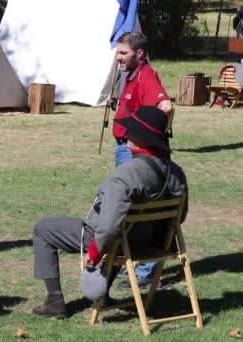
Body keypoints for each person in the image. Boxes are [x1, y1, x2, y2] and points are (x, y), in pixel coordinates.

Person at [32, 106, 188, 318]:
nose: (125, 134)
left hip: (117, 241)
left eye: (131, 130)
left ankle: (54, 301)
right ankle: (102, 294)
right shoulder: (176, 172)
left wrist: (94, 254)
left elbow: (108, 228)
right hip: (150, 243)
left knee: (43, 228)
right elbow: (181, 216)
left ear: (143, 137)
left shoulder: (124, 176)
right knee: (121, 234)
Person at [112, 32, 172, 287]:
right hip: (128, 148)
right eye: (118, 52)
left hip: (135, 152)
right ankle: (136, 263)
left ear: (139, 53)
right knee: (131, 210)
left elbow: (166, 106)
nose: (118, 57)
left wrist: (151, 140)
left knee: (141, 209)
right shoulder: (132, 75)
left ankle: (146, 272)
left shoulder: (146, 75)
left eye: (123, 53)